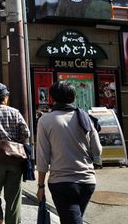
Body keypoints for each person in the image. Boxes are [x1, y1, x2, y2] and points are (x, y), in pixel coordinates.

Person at [36, 81, 102, 224]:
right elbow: (97, 151)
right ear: (73, 98)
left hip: (61, 183)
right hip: (87, 182)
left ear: (52, 99)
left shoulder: (45, 120)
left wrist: (40, 186)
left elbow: (42, 158)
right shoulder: (85, 118)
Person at [0, 83, 30, 224]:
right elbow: (25, 133)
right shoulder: (14, 112)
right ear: (4, 97)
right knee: (13, 197)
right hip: (15, 159)